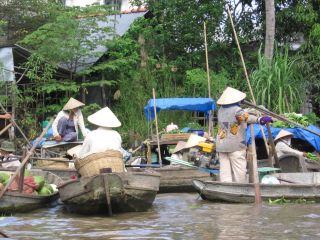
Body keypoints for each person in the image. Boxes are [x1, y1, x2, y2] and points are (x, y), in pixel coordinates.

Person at [216, 87, 273, 183]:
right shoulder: (237, 110)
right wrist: (259, 119)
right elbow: (246, 117)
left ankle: (227, 188)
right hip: (235, 145)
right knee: (239, 171)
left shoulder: (220, 110)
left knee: (225, 172)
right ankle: (240, 188)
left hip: (221, 144)